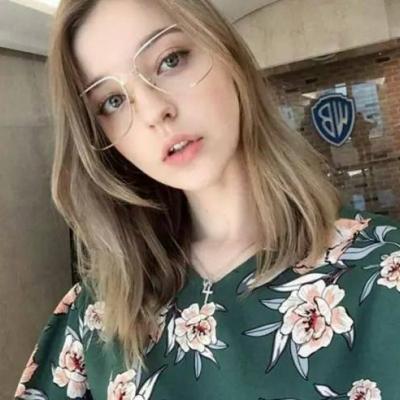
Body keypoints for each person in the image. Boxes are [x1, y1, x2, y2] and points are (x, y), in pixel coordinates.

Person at [14, 1, 400, 399]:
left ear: (225, 50)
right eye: (112, 101)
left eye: (170, 60)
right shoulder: (98, 314)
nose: (154, 111)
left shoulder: (386, 272)